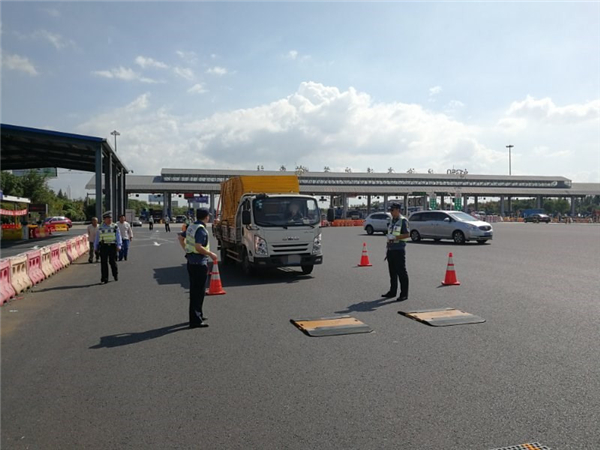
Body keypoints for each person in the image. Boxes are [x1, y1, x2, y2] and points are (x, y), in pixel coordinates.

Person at [177, 208, 218, 329]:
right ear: (206, 217)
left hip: (191, 261)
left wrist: (187, 250)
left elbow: (180, 238)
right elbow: (199, 247)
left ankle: (198, 315)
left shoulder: (191, 227)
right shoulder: (201, 230)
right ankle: (195, 320)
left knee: (196, 291)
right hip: (199, 262)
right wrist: (211, 254)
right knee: (198, 292)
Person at [381, 203, 410, 302]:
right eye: (390, 210)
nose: (391, 212)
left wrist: (396, 237)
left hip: (399, 250)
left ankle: (404, 294)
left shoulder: (403, 220)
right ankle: (392, 291)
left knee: (401, 272)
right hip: (391, 249)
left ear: (398, 210)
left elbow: (407, 234)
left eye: (392, 210)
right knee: (392, 272)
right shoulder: (391, 220)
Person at [94, 211, 122, 284]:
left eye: (110, 218)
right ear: (104, 219)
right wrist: (95, 246)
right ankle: (104, 278)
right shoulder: (100, 227)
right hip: (103, 246)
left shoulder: (115, 226)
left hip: (112, 246)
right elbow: (97, 237)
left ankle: (115, 274)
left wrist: (119, 245)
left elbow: (118, 237)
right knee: (103, 262)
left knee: (112, 262)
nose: (109, 220)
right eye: (108, 218)